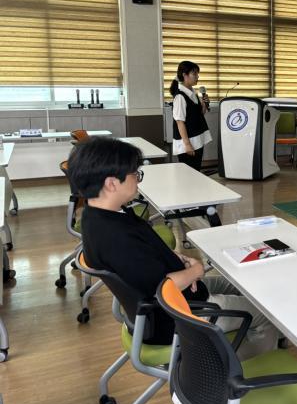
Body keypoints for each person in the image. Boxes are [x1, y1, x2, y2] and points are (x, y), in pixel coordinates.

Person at [68, 137, 278, 357]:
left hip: (174, 298)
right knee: (267, 314)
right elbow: (163, 286)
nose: (138, 179)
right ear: (111, 183)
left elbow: (146, 255)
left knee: (241, 286)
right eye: (135, 174)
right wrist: (195, 270)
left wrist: (181, 260)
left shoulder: (97, 215)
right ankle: (240, 367)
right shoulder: (117, 237)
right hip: (178, 315)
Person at [170, 60, 211, 171]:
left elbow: (200, 114)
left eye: (197, 73)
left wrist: (204, 104)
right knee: (189, 174)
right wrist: (187, 145)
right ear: (185, 75)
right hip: (188, 143)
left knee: (196, 171)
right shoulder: (180, 96)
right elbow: (180, 122)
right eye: (194, 73)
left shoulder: (193, 92)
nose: (197, 76)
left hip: (197, 140)